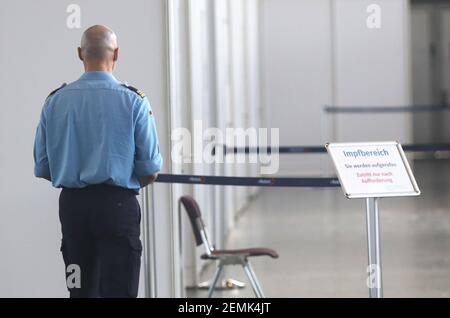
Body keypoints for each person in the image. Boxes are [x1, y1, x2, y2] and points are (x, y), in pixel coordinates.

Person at [33, 25, 162, 298]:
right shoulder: (135, 101)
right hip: (118, 207)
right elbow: (150, 169)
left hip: (73, 210)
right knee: (120, 291)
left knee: (79, 290)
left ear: (80, 53)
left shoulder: (55, 101)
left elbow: (43, 167)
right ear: (117, 53)